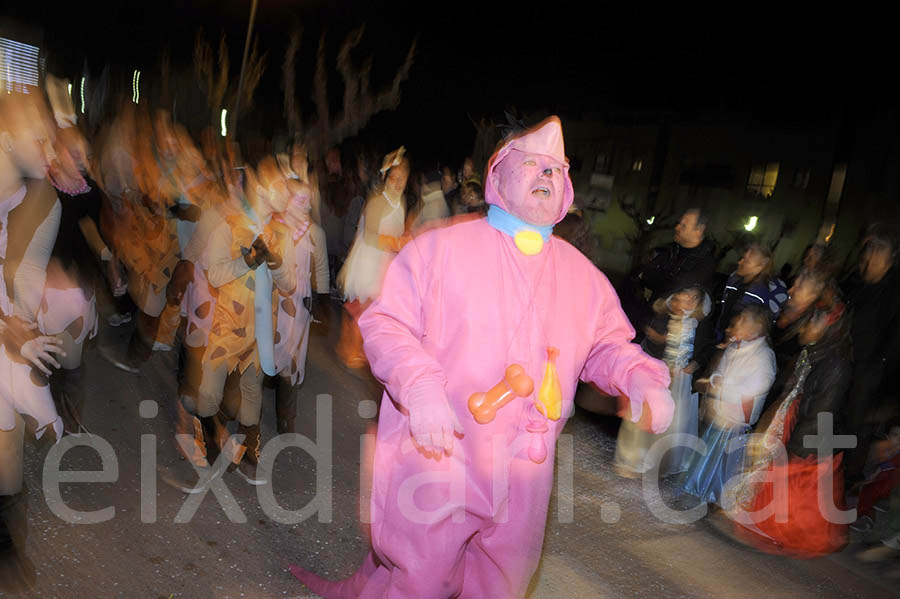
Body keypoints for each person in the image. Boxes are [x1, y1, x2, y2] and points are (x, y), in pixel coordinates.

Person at [289, 116, 673, 598]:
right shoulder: (441, 249)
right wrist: (419, 383)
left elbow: (606, 345)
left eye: (555, 169)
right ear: (497, 177)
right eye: (531, 164)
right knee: (420, 576)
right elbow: (387, 322)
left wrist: (639, 376)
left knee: (502, 581)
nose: (545, 175)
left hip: (525, 470)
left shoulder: (583, 277)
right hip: (443, 453)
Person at [726, 295, 852, 557]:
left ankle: (793, 532)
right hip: (794, 420)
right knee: (781, 476)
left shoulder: (835, 364)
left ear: (824, 327)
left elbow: (823, 409)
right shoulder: (813, 351)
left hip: (812, 432)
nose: (802, 331)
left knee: (800, 486)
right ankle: (768, 523)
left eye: (808, 325)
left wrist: (800, 442)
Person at [682, 305, 776, 505]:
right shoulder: (734, 347)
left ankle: (715, 492)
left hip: (737, 416)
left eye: (742, 322)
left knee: (724, 458)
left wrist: (726, 388)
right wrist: (716, 379)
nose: (735, 326)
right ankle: (700, 486)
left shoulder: (763, 355)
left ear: (756, 329)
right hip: (722, 412)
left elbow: (758, 385)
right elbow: (722, 371)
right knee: (710, 453)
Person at [615, 286, 712, 477]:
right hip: (657, 374)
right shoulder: (663, 318)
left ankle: (661, 461)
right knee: (647, 415)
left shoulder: (698, 325)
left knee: (673, 419)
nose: (687, 303)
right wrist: (658, 340)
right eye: (683, 298)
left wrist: (693, 364)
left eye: (692, 299)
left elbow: (706, 348)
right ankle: (635, 458)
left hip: (680, 380)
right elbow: (648, 337)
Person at [335, 146, 410, 368]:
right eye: (394, 178)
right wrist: (397, 242)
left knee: (365, 307)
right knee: (362, 306)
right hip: (370, 259)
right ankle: (351, 348)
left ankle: (351, 345)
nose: (397, 183)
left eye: (402, 179)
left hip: (385, 261)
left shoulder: (401, 202)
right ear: (386, 177)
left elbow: (396, 229)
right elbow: (369, 237)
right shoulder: (378, 201)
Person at [842, 224, 900, 485]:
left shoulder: (893, 291)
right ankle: (834, 470)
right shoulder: (858, 283)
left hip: (873, 372)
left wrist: (878, 366)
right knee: (840, 419)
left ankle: (850, 478)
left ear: (890, 257)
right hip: (847, 364)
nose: (872, 256)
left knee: (858, 426)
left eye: (879, 250)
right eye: (870, 249)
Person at [713, 243, 788, 342]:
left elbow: (748, 328)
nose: (740, 262)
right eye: (742, 258)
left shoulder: (759, 294)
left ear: (760, 267)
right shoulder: (734, 278)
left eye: (747, 261)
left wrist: (729, 341)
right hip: (720, 334)